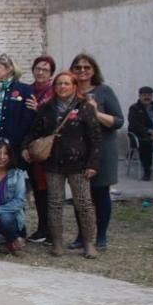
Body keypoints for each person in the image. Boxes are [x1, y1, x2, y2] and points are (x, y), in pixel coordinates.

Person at [23, 71, 100, 258]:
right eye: (59, 84)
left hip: (79, 163)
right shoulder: (47, 108)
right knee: (55, 203)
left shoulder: (84, 108)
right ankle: (57, 243)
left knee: (84, 204)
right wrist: (26, 146)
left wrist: (93, 164)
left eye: (66, 84)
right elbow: (35, 131)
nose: (62, 87)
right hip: (53, 163)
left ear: (74, 86)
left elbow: (95, 138)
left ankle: (89, 243)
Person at [68, 53, 123, 250]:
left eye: (86, 67)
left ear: (93, 70)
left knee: (100, 193)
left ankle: (100, 236)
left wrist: (95, 112)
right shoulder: (70, 92)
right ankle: (82, 235)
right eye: (78, 67)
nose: (82, 71)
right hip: (78, 151)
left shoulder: (104, 91)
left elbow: (118, 121)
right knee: (80, 195)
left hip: (103, 150)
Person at [25, 55, 57, 244]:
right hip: (32, 148)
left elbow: (55, 120)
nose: (40, 72)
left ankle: (52, 231)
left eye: (45, 69)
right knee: (38, 191)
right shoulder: (29, 90)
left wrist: (39, 110)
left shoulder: (54, 91)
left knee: (51, 192)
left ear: (50, 73)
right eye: (38, 68)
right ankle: (42, 228)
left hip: (50, 149)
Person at [0, 54, 34, 160]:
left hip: (14, 148)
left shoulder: (24, 90)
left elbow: (27, 120)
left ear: (9, 68)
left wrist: (12, 141)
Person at [128, 86, 153, 181]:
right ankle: (147, 171)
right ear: (140, 96)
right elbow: (134, 125)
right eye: (144, 95)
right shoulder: (134, 108)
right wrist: (150, 132)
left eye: (149, 95)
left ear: (152, 96)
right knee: (146, 143)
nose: (147, 97)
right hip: (142, 135)